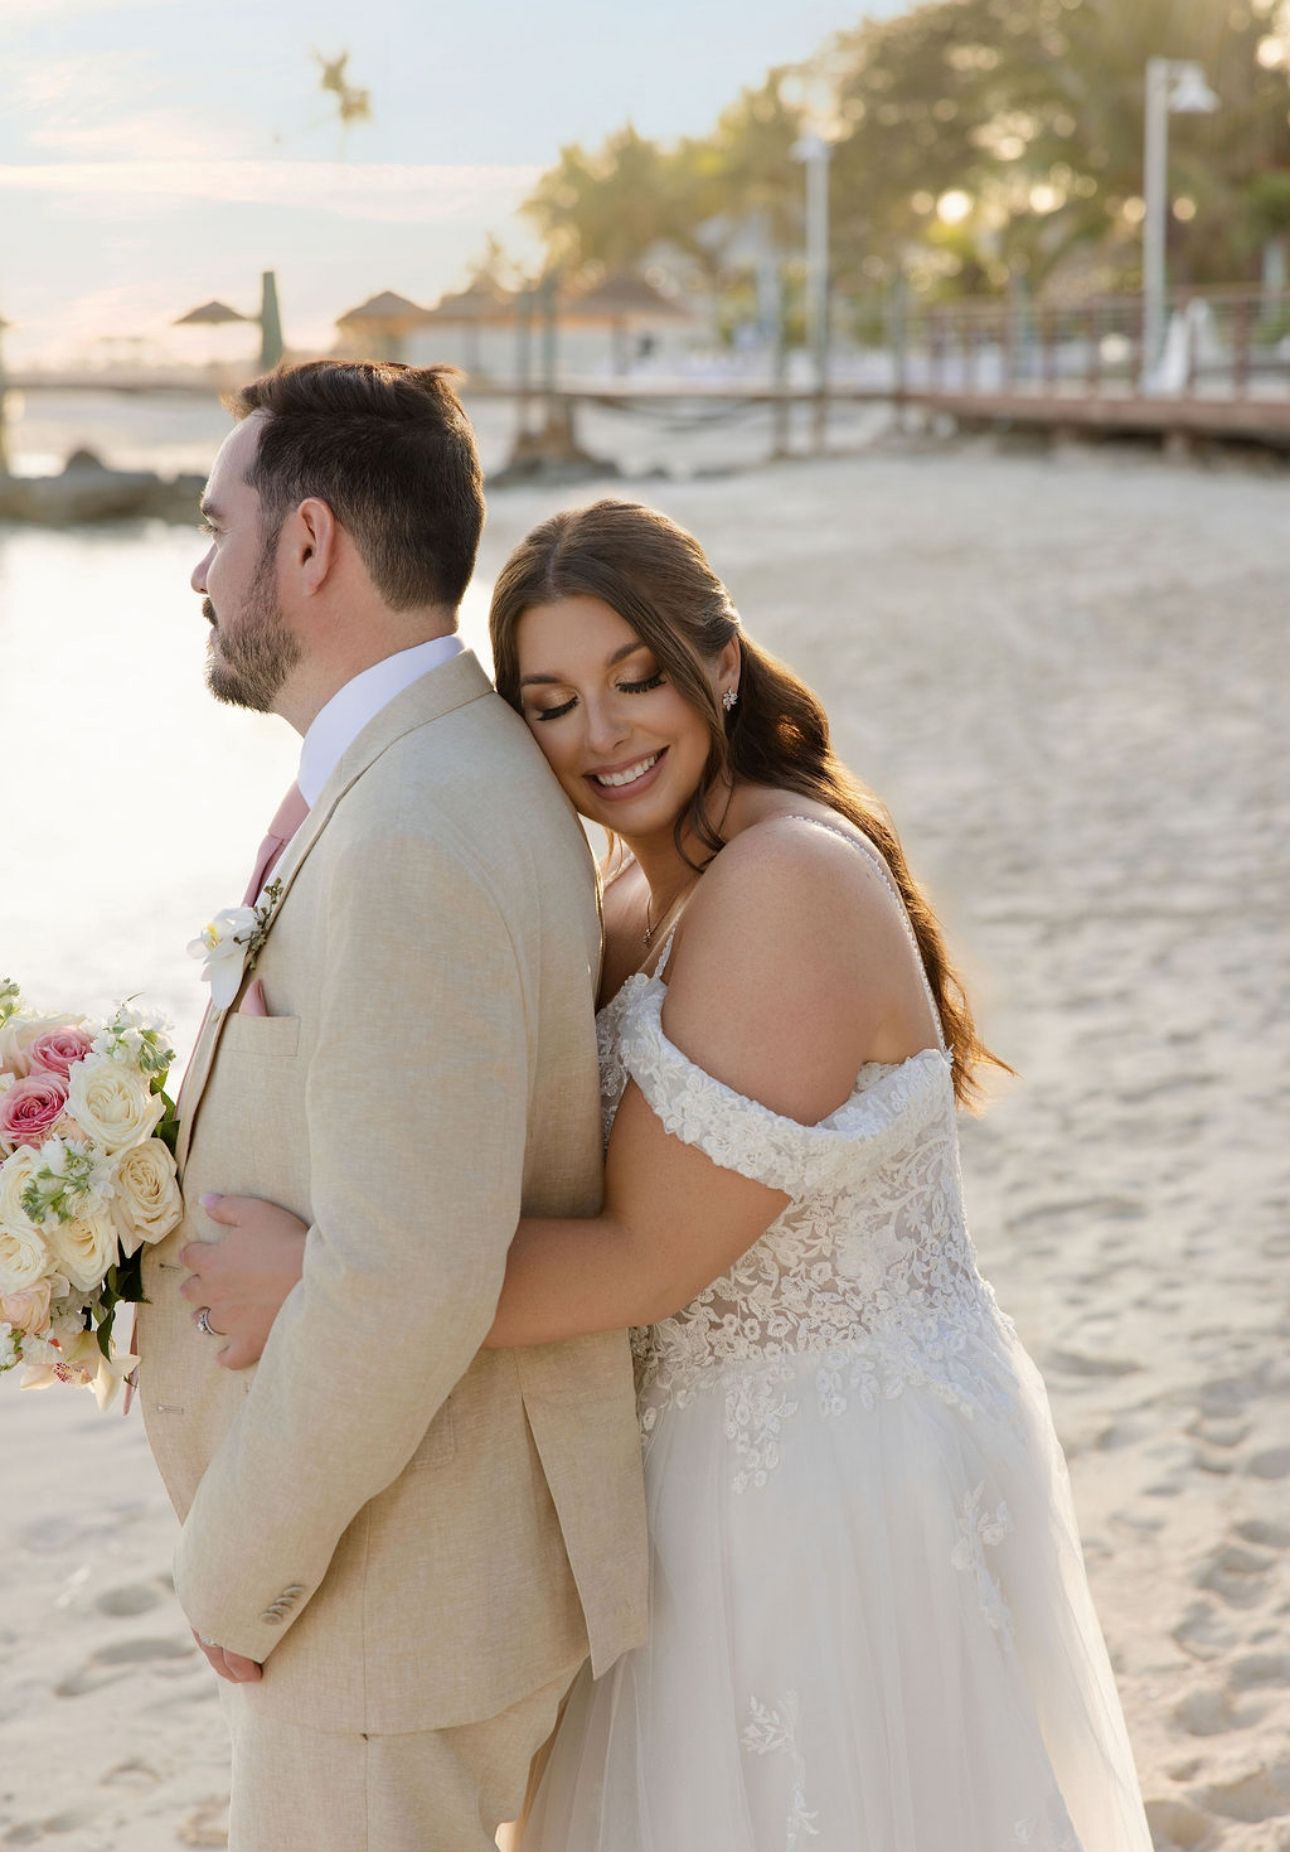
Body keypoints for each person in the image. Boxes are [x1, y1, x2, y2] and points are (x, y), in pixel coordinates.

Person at [184, 500, 1154, 1849]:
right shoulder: (633, 893)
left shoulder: (782, 884)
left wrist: (322, 1280)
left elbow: (647, 1255)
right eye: (553, 701)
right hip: (678, 1466)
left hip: (826, 1470)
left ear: (724, 667)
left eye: (636, 678)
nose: (604, 732)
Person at [137, 368, 647, 1852]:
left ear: (306, 547)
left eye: (213, 522)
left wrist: (239, 1571)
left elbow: (403, 1277)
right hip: (414, 1583)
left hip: (390, 1608)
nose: (194, 567)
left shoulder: (416, 824)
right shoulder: (423, 768)